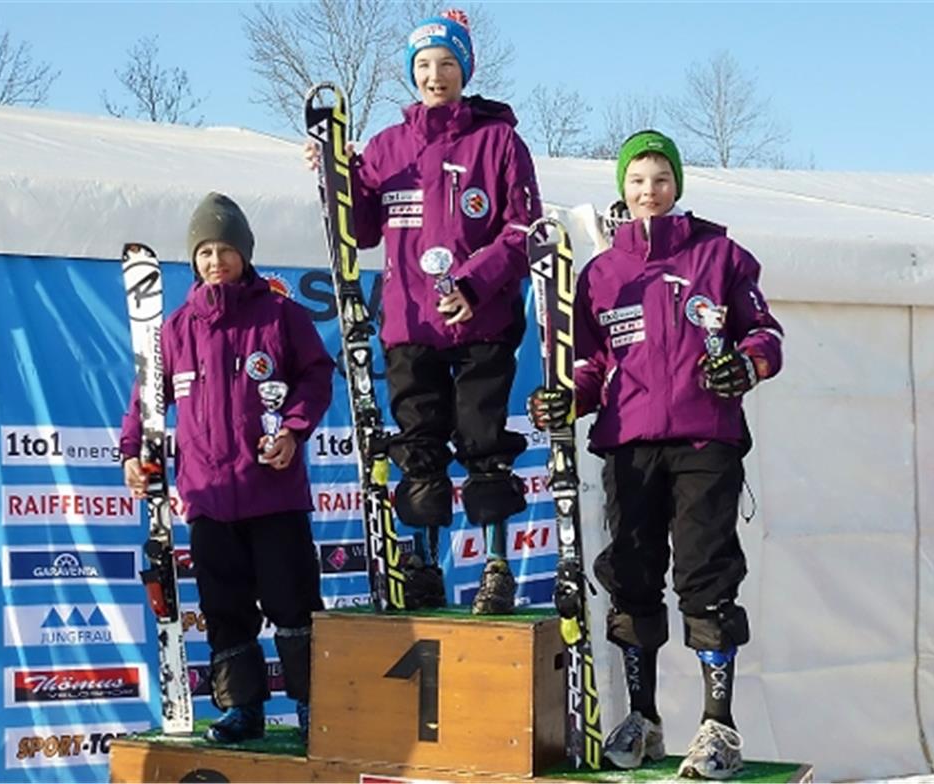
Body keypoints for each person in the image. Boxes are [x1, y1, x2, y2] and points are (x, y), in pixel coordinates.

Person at [528, 130, 784, 779]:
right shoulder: (602, 274)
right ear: (623, 187)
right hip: (631, 444)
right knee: (633, 575)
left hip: (705, 439)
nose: (649, 191)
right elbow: (589, 364)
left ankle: (717, 726)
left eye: (661, 179)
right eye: (637, 180)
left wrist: (747, 366)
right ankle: (642, 717)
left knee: (705, 575)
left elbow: (763, 332)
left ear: (677, 186)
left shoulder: (720, 256)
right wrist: (565, 399)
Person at [305, 8, 542, 614]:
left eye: (446, 64)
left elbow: (523, 231)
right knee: (419, 443)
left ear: (465, 68)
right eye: (424, 66)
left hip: (482, 321)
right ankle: (424, 563)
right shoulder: (388, 148)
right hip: (410, 324)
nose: (435, 75)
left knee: (483, 440)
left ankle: (495, 565)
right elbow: (358, 233)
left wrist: (471, 281)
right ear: (411, 74)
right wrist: (339, 180)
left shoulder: (500, 142)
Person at [120, 192, 334, 744]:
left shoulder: (280, 314)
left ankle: (314, 704)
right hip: (208, 497)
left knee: (292, 603)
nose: (216, 261)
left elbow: (316, 376)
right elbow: (146, 398)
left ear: (245, 254)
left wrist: (293, 429)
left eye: (226, 250)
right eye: (206, 251)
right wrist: (132, 452)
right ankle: (242, 708)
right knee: (224, 607)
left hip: (274, 494)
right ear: (194, 259)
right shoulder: (177, 327)